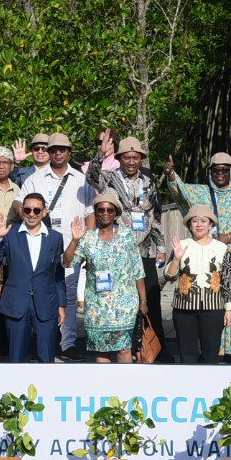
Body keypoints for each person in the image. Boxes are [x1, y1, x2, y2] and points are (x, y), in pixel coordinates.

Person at [167, 152, 231, 362]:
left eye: (224, 170)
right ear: (210, 172)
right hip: (207, 269)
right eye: (216, 170)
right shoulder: (201, 193)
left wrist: (229, 237)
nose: (220, 173)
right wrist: (171, 174)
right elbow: (180, 192)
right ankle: (212, 355)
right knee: (211, 312)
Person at [22, 132, 96, 358]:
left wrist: (89, 240)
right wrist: (33, 218)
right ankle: (44, 341)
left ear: (69, 151)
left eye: (62, 149)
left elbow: (90, 212)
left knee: (70, 295)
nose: (57, 153)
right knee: (42, 292)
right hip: (41, 243)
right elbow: (19, 203)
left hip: (72, 244)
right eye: (53, 150)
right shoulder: (35, 178)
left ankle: (68, 343)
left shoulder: (81, 180)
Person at [90, 137, 164, 351]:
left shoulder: (148, 182)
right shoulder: (109, 178)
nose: (131, 162)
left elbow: (155, 215)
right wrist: (99, 154)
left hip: (144, 250)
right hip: (119, 252)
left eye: (135, 158)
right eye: (127, 158)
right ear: (119, 159)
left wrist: (160, 247)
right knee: (122, 300)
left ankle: (155, 348)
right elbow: (91, 177)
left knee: (150, 299)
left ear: (140, 159)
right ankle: (124, 347)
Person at [0, 192, 67, 363]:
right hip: (16, 303)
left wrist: (61, 304)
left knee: (46, 358)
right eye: (27, 210)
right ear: (22, 211)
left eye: (36, 210)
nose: (31, 214)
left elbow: (58, 274)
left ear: (44, 212)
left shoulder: (55, 238)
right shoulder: (10, 233)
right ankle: (16, 390)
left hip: (46, 303)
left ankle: (46, 390)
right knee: (16, 358)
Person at [68, 191, 147, 363]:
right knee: (101, 353)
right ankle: (107, 390)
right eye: (101, 210)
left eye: (109, 210)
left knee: (124, 350)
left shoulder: (127, 236)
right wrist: (74, 240)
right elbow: (66, 263)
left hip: (124, 306)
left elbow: (138, 270)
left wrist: (143, 301)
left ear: (116, 213)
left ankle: (126, 390)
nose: (105, 213)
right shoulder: (87, 238)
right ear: (95, 212)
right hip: (97, 307)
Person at [165, 204, 231, 364]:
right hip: (184, 309)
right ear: (189, 224)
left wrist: (229, 311)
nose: (199, 225)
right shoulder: (182, 245)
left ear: (210, 224)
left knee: (211, 355)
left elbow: (229, 280)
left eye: (203, 221)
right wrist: (177, 258)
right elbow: (170, 277)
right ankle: (187, 388)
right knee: (187, 355)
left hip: (213, 310)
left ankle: (209, 388)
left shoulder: (221, 248)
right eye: (195, 221)